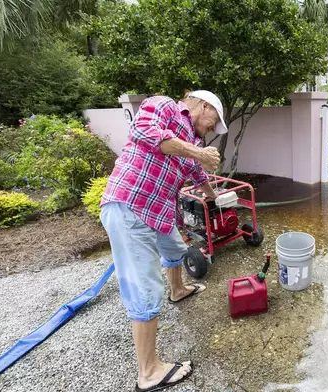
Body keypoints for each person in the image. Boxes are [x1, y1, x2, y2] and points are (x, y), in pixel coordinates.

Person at [99, 90, 225, 391]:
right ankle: (149, 372)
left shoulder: (191, 143)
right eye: (214, 123)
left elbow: (196, 172)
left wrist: (213, 197)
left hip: (157, 213)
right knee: (144, 287)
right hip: (130, 206)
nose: (211, 130)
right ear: (204, 106)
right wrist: (200, 154)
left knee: (175, 248)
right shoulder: (164, 106)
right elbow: (146, 133)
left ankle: (178, 289)